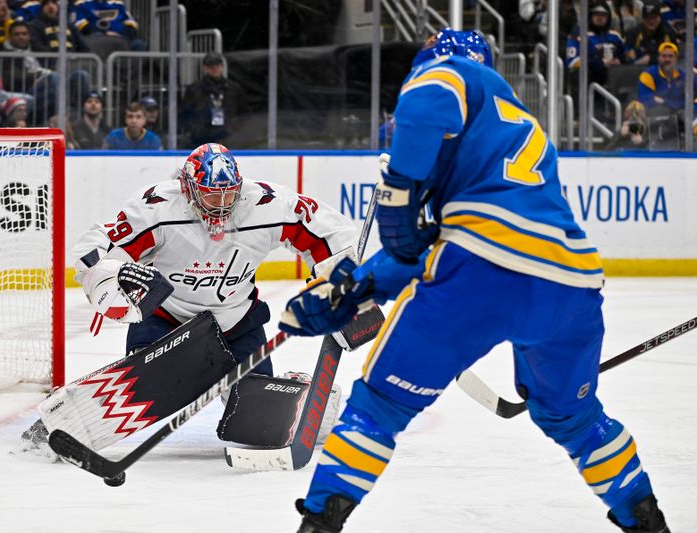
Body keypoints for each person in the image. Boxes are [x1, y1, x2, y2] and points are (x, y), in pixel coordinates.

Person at [279, 30, 670, 533]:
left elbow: (435, 99)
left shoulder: (453, 74)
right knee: (576, 419)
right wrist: (360, 286)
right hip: (572, 288)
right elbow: (445, 241)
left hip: (481, 276)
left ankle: (320, 521)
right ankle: (646, 519)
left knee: (379, 406)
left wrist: (398, 192)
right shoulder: (515, 130)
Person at [19, 142, 358, 459]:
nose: (222, 207)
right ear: (188, 188)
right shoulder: (156, 209)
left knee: (259, 423)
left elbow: (328, 234)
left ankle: (306, 395)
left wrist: (347, 285)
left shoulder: (267, 204)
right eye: (211, 196)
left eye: (229, 195)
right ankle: (61, 423)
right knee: (146, 386)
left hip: (236, 323)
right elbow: (96, 247)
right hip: (167, 321)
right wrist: (109, 279)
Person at [181, 51, 249, 147]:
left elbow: (244, 112)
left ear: (222, 66)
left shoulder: (234, 88)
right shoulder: (194, 89)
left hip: (228, 138)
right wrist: (196, 128)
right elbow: (185, 113)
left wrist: (234, 128)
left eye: (217, 65)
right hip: (201, 139)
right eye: (210, 66)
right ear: (204, 68)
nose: (214, 68)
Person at [565, 0, 626, 86]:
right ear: (590, 16)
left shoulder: (615, 36)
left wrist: (619, 61)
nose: (600, 18)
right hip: (590, 79)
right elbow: (572, 62)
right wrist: (601, 63)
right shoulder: (580, 34)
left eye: (603, 15)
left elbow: (625, 57)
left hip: (613, 79)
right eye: (596, 14)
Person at [624, 0, 680, 66]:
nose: (651, 21)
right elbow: (629, 56)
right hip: (637, 69)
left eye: (654, 18)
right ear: (643, 19)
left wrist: (651, 59)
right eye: (648, 18)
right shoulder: (632, 33)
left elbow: (674, 56)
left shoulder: (669, 33)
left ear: (660, 18)